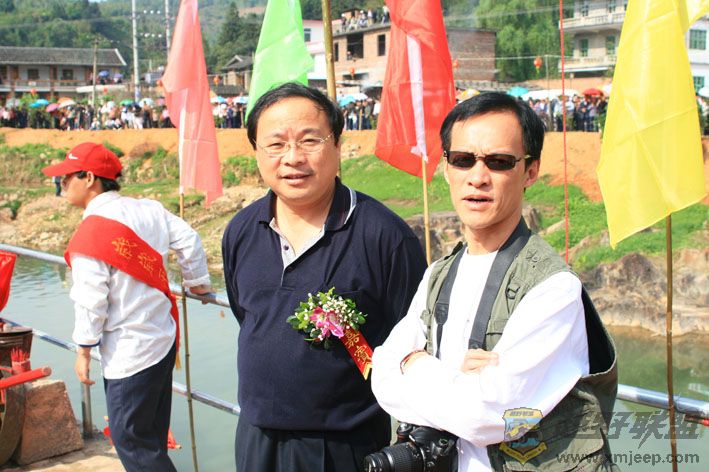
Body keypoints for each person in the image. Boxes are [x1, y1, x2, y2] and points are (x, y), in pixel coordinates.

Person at [371, 93, 618, 471]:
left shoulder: (553, 288)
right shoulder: (439, 274)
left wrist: (415, 363)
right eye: (463, 159)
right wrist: (459, 381)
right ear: (446, 168)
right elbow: (383, 375)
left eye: (499, 162)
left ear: (530, 171)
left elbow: (488, 416)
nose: (478, 177)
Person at [222, 83, 427, 471]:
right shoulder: (242, 230)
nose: (293, 158)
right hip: (255, 436)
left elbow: (417, 340)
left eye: (309, 140)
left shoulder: (384, 237)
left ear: (337, 146)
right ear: (256, 151)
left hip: (343, 446)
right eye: (276, 144)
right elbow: (246, 315)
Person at [41, 142, 213, 472]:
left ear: (88, 178)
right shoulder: (149, 208)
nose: (61, 184)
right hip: (162, 340)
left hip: (128, 352)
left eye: (66, 177)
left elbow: (91, 299)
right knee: (151, 438)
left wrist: (83, 349)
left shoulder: (90, 233)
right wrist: (198, 283)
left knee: (132, 442)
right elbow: (189, 239)